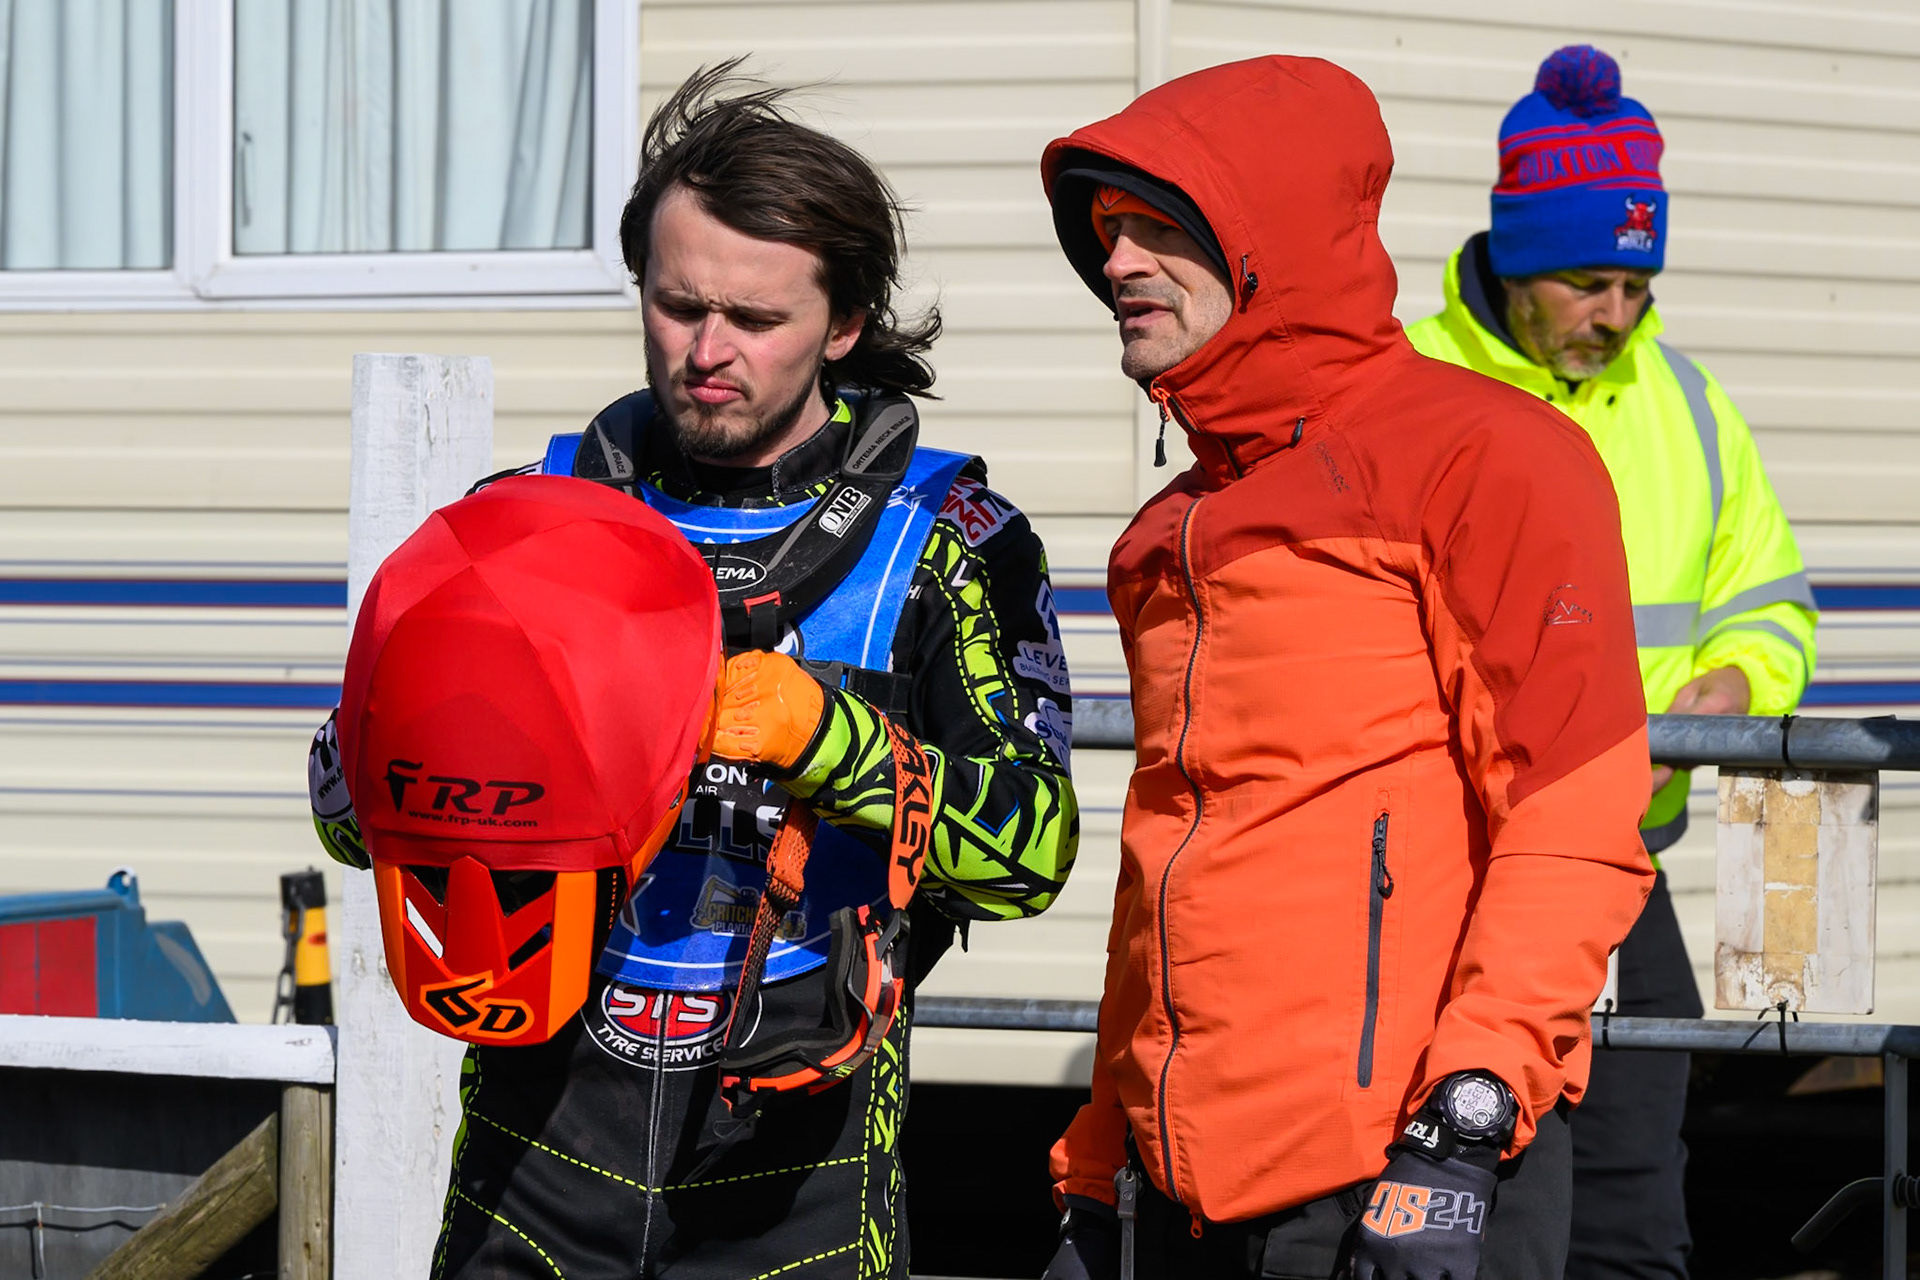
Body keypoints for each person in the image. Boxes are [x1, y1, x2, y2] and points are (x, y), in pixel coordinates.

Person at [310, 63, 1079, 1279]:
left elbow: (1035, 855)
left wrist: (835, 741)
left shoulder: (947, 540)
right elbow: (350, 819)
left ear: (844, 324)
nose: (706, 350)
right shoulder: (525, 523)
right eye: (677, 306)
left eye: (757, 321)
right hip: (539, 1121)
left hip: (798, 1151)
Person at [1036, 55, 1657, 1279]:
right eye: (1107, 232)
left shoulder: (1488, 459)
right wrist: (1097, 1166)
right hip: (1179, 1192)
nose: (1117, 264)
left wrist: (1464, 1125)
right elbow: (1163, 872)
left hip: (1401, 1175)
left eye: (1159, 226)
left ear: (1267, 238)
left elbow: (1570, 811)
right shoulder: (1171, 530)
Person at [1405, 45, 1817, 1279]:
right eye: (1590, 284)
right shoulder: (1405, 384)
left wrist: (1739, 684)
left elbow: (1773, 597)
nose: (1620, 316)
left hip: (1623, 874)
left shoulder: (1688, 402)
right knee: (1458, 1201)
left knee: (1636, 1220)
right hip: (1443, 881)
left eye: (1640, 285)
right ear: (1515, 257)